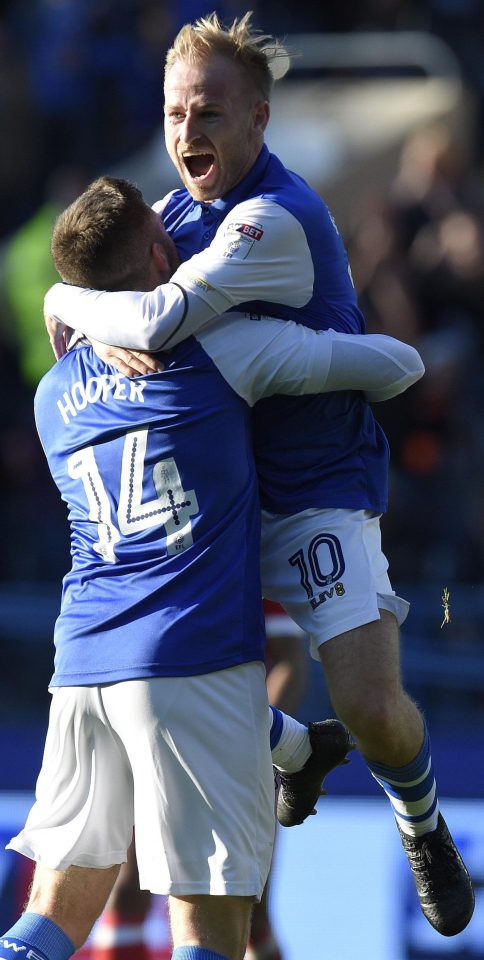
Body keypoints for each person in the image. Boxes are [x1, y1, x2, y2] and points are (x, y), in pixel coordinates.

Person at [43, 12, 474, 938]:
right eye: (174, 112)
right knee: (177, 683)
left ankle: (421, 817)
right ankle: (293, 753)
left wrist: (66, 298)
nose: (187, 132)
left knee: (367, 703)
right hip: (220, 503)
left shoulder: (274, 218)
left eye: (208, 112)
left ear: (259, 120)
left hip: (316, 490)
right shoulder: (164, 218)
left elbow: (155, 321)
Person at [2, 176, 423, 960]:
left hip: (83, 667)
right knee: (212, 933)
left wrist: (73, 306)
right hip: (194, 658)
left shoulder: (50, 393)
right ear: (164, 251)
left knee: (51, 918)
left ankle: (298, 746)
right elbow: (395, 365)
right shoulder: (221, 351)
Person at [90, 602, 307, 960]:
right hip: (156, 748)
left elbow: (290, 663)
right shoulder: (148, 561)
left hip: (234, 760)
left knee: (249, 913)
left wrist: (254, 743)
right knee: (127, 891)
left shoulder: (244, 559)